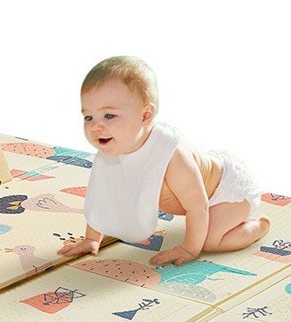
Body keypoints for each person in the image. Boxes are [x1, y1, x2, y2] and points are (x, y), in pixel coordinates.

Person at [57, 56, 270, 266]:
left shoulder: (171, 156)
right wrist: (92, 238)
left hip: (226, 191)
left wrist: (189, 249)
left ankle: (258, 226)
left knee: (210, 242)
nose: (95, 126)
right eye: (88, 117)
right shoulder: (113, 150)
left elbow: (198, 206)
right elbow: (104, 198)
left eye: (109, 116)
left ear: (145, 116)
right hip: (204, 191)